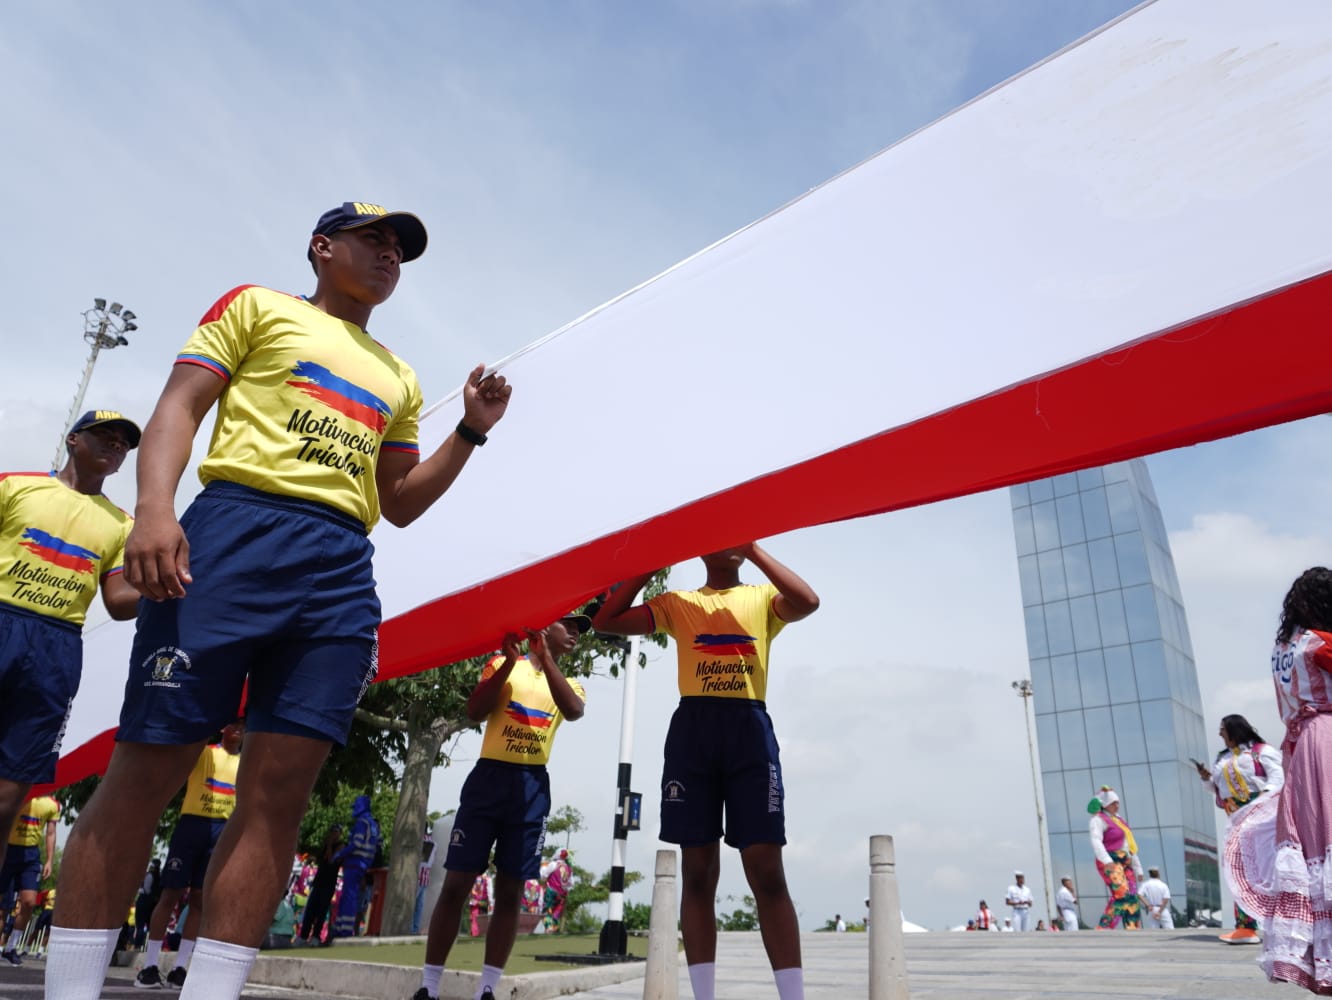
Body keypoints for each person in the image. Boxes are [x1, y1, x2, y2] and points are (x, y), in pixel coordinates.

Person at [45, 202, 513, 1000]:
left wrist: (468, 432)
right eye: (374, 240)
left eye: (399, 249)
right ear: (322, 247)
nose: (389, 257)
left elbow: (397, 501)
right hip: (232, 535)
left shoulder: (398, 375)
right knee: (145, 771)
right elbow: (179, 408)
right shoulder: (257, 306)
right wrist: (154, 510)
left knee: (276, 799)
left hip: (337, 567)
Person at [593, 542, 819, 1000]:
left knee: (767, 871)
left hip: (749, 733)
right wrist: (648, 562)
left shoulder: (760, 598)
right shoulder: (680, 604)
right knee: (698, 873)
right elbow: (605, 622)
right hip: (693, 734)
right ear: (700, 549)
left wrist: (754, 549)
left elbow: (808, 601)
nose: (731, 541)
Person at [413, 619, 587, 1000]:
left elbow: (573, 711)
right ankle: (429, 986)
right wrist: (510, 663)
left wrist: (547, 658)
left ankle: (487, 989)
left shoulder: (570, 683)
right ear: (545, 625)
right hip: (489, 779)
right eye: (569, 625)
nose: (576, 634)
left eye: (581, 629)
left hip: (531, 787)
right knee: (457, 882)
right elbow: (475, 711)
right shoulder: (502, 664)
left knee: (510, 889)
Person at [0, 410, 140, 844]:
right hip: (5, 618)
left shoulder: (122, 524)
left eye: (123, 443)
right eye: (105, 435)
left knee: (8, 799)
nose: (116, 444)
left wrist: (172, 585)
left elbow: (118, 603)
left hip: (56, 649)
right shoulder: (15, 486)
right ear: (73, 439)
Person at [1227, 568, 1332, 992]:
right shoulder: (1322, 644)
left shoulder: (1282, 649)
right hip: (1327, 737)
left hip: (1300, 747)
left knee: (1315, 846)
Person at [135, 720, 244, 989]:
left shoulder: (246, 765)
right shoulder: (205, 753)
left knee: (198, 900)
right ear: (222, 728)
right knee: (170, 894)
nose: (239, 728)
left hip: (221, 831)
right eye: (233, 723)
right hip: (191, 826)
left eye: (243, 723)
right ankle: (149, 965)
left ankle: (180, 968)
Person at [1196, 713, 1281, 945]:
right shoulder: (1222, 757)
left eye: (1222, 728)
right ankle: (1245, 928)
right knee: (1239, 869)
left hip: (1263, 817)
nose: (1219, 733)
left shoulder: (1260, 751)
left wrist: (1260, 801)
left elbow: (1278, 778)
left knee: (1268, 867)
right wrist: (1206, 779)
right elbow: (1216, 789)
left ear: (1234, 730)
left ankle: (1282, 922)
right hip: (1234, 817)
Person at [0, 795, 59, 965]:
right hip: (7, 850)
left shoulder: (52, 804)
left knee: (29, 902)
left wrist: (49, 860)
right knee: (2, 907)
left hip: (31, 855)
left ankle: (11, 948)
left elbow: (51, 833)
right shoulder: (19, 793)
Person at [1088, 786, 1143, 929]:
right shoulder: (1098, 819)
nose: (1117, 805)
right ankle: (1104, 928)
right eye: (1113, 802)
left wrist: (1138, 867)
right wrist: (1107, 861)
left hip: (1125, 860)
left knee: (1132, 895)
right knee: (1121, 893)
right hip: (1110, 859)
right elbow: (1096, 840)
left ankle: (1133, 928)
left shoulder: (1119, 820)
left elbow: (1129, 844)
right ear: (1106, 804)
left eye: (1117, 802)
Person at [331, 795, 381, 940]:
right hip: (364, 864)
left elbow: (356, 844)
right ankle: (343, 928)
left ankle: (343, 931)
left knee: (348, 898)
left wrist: (340, 854)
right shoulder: (372, 824)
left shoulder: (361, 823)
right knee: (352, 898)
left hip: (354, 863)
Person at [299, 825, 343, 945]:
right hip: (319, 881)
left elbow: (331, 860)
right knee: (310, 909)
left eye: (336, 832)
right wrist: (326, 844)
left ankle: (316, 936)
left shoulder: (340, 846)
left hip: (329, 883)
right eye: (332, 831)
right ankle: (303, 935)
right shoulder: (325, 844)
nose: (333, 834)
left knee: (321, 911)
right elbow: (322, 859)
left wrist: (329, 845)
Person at [539, 848, 572, 934]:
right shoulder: (568, 868)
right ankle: (554, 928)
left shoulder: (553, 864)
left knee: (546, 911)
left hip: (551, 891)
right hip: (562, 894)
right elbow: (571, 884)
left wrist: (543, 866)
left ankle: (549, 928)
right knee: (556, 912)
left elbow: (543, 876)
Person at [132, 859, 162, 949]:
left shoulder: (149, 875)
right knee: (150, 926)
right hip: (154, 903)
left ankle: (138, 946)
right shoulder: (159, 876)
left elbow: (146, 889)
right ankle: (148, 947)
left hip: (144, 900)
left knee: (140, 925)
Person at [412, 831, 435, 935]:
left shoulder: (419, 840)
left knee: (412, 904)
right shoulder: (433, 843)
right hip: (425, 877)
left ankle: (410, 928)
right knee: (419, 906)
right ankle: (414, 929)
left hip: (416, 877)